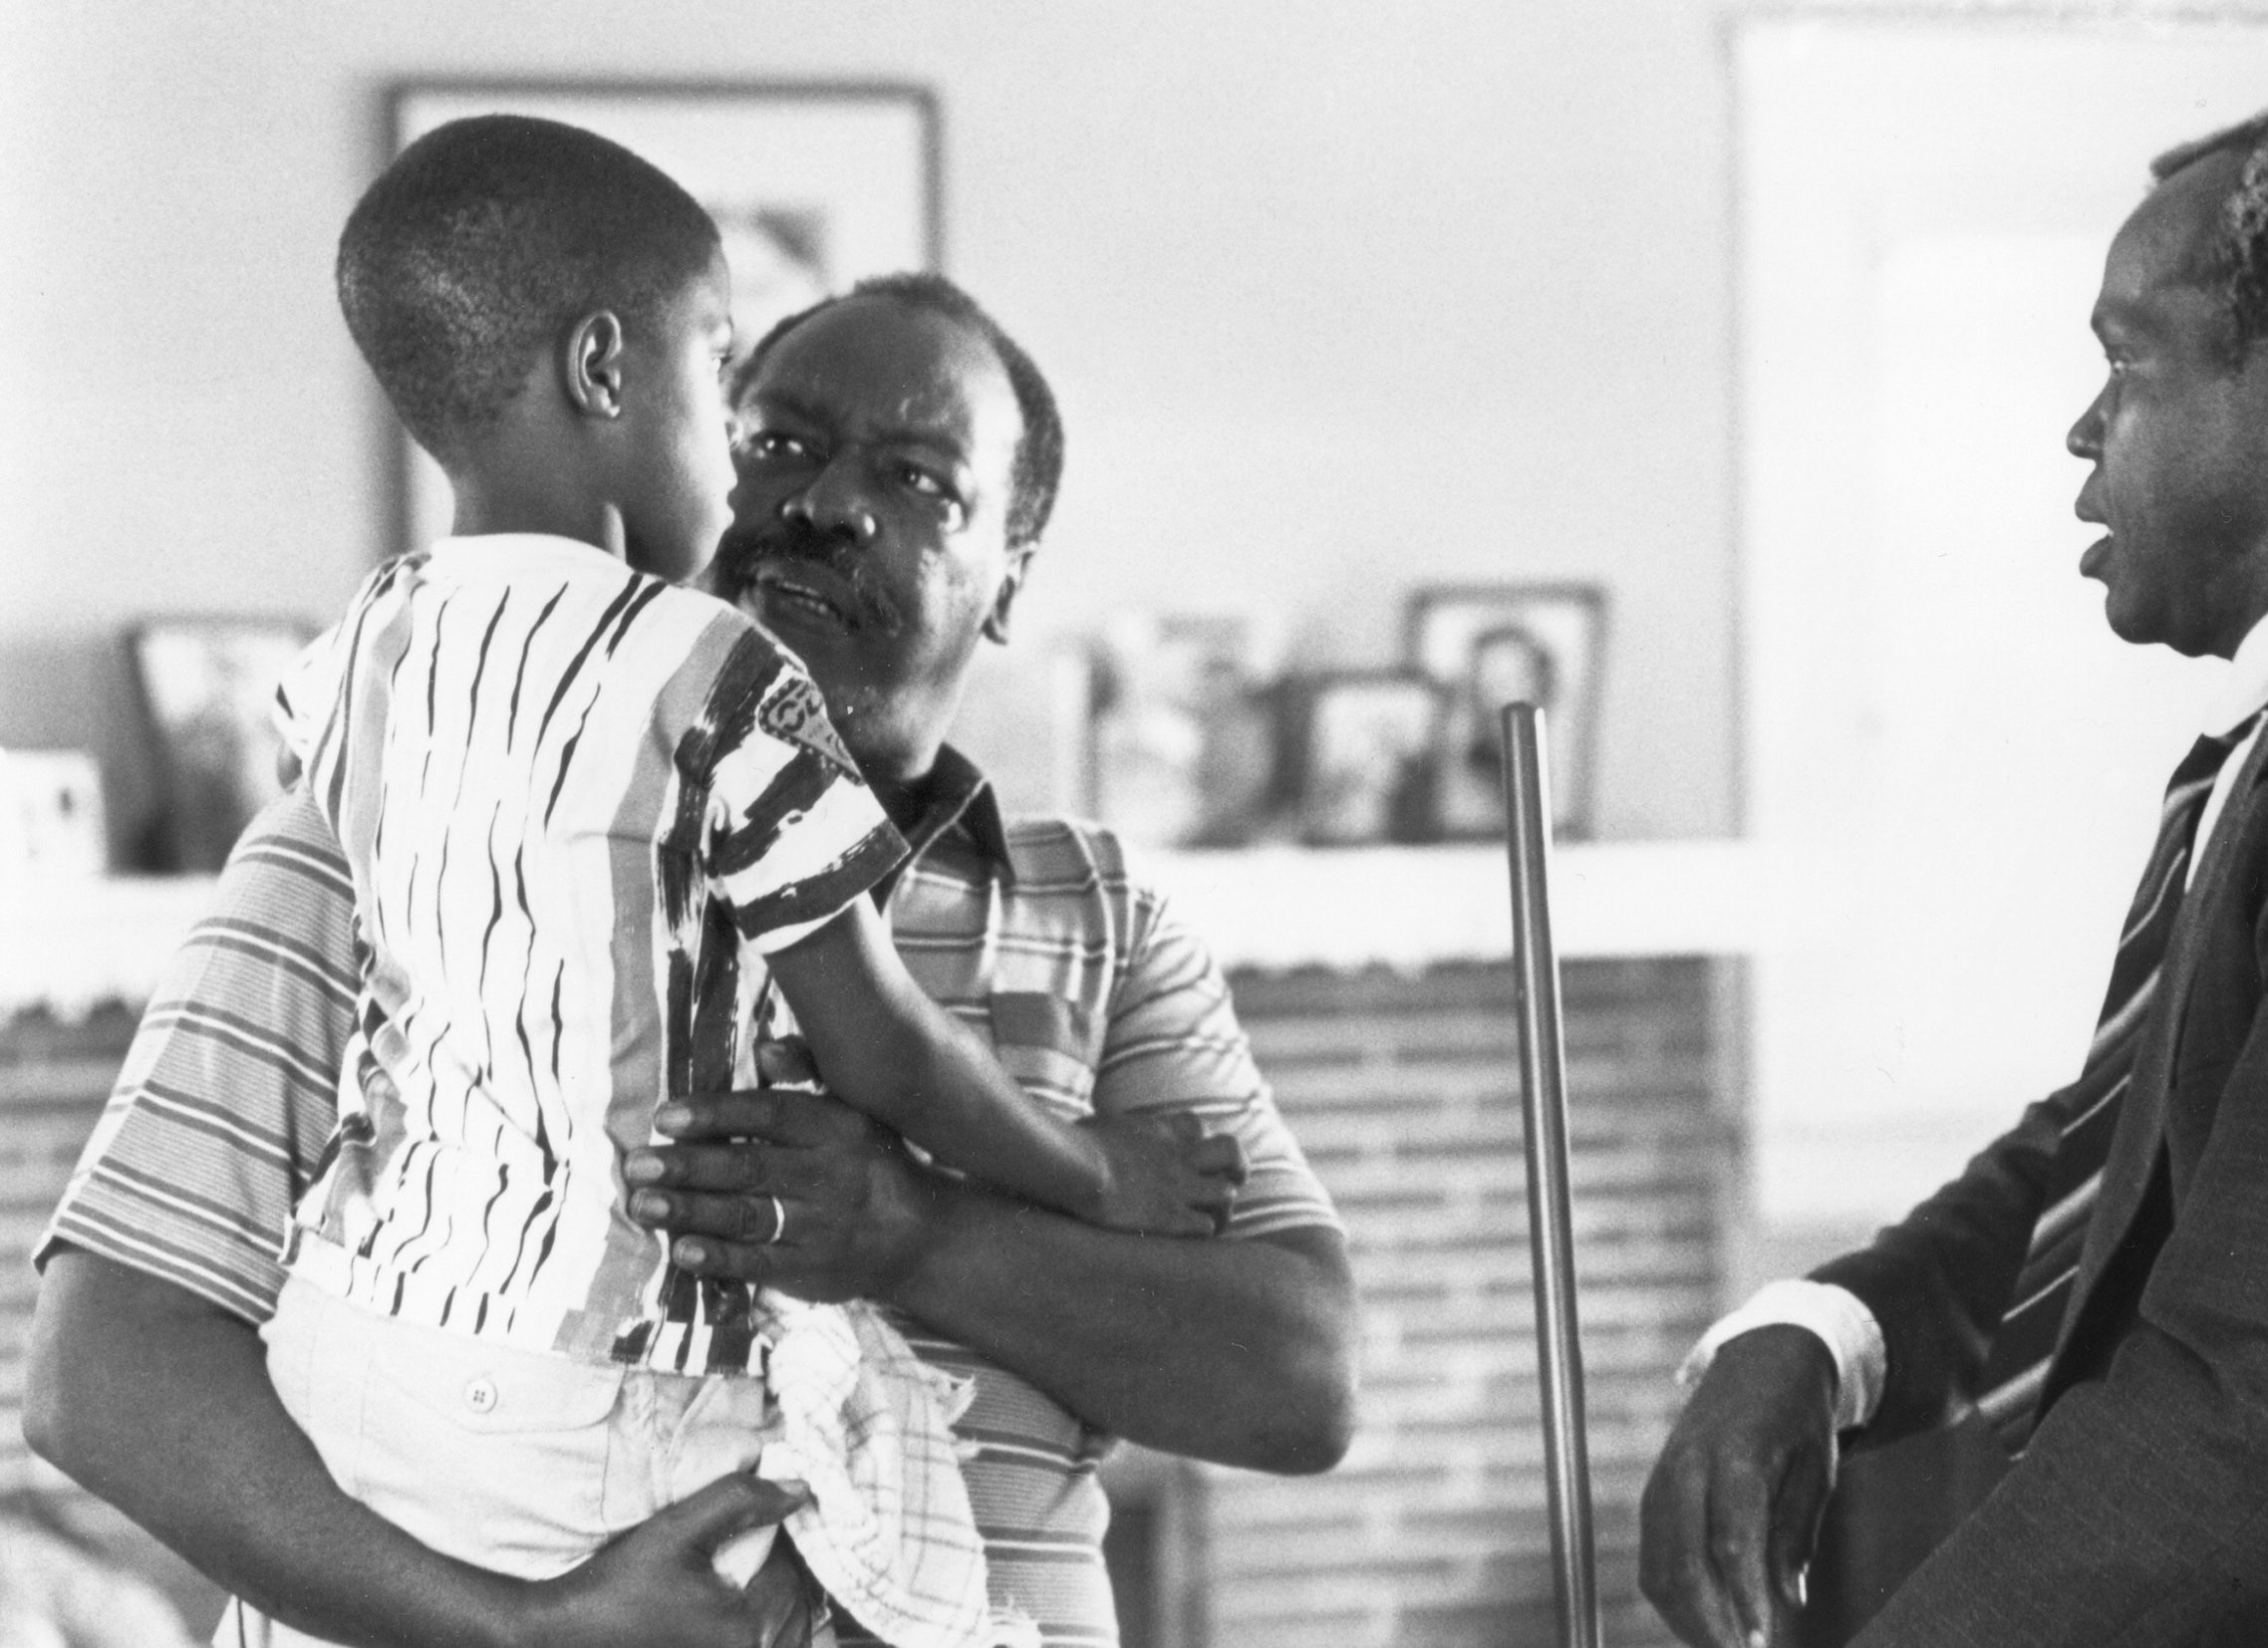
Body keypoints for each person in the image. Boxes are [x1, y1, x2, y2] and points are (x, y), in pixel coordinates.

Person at [26, 265, 1358, 1646]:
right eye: (777, 441)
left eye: (917, 479)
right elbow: (102, 1371)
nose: (827, 501)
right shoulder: (408, 822)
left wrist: (915, 1235)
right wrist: (520, 1625)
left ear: (1009, 575)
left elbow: (1300, 1383)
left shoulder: (1097, 913)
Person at [1640, 89, 2268, 1647]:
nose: (2082, 429)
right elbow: (2121, 1160)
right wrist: (1820, 1329)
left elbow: (2237, 1403)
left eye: (2127, 362)